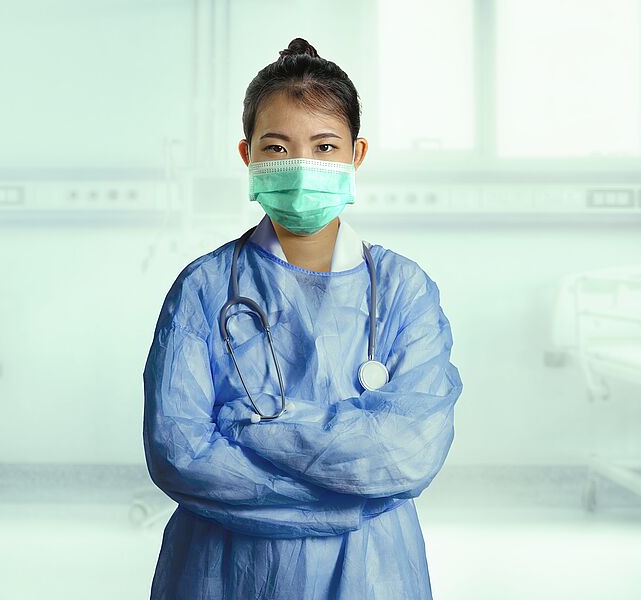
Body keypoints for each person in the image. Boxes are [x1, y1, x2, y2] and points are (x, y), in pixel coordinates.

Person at [142, 37, 463, 600]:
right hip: (224, 571)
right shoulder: (205, 287)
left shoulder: (403, 289)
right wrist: (346, 496)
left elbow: (407, 452)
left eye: (324, 146)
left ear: (357, 155)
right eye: (277, 147)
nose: (300, 167)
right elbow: (181, 455)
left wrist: (245, 429)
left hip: (371, 570)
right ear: (247, 156)